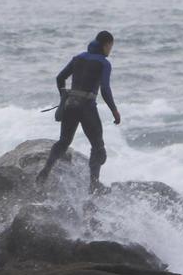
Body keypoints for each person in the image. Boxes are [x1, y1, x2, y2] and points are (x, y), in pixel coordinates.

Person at [37, 31, 121, 193]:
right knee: (98, 148)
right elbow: (105, 88)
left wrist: (63, 96)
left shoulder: (78, 58)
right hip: (87, 107)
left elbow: (60, 78)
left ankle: (45, 172)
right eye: (111, 46)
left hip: (70, 105)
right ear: (107, 44)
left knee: (64, 141)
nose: (110, 49)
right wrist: (114, 110)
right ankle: (94, 184)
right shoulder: (104, 63)